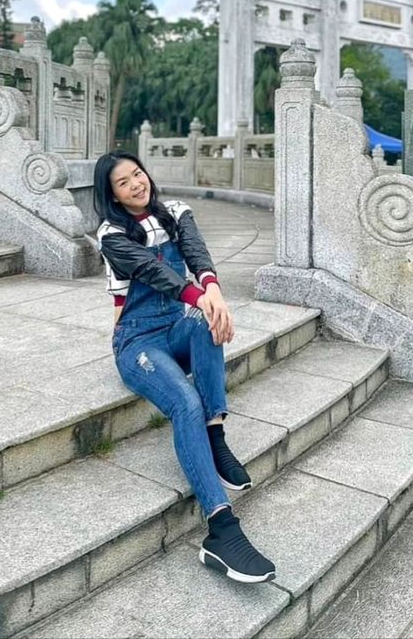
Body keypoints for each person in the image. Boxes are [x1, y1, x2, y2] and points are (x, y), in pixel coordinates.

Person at [93, 151, 276, 584]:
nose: (137, 183)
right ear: (113, 196)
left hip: (177, 326)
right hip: (138, 341)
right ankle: (221, 530)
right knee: (184, 402)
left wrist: (211, 289)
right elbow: (150, 271)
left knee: (205, 322)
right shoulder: (112, 234)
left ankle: (215, 434)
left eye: (138, 173)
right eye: (124, 182)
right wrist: (200, 297)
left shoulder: (176, 212)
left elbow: (195, 253)